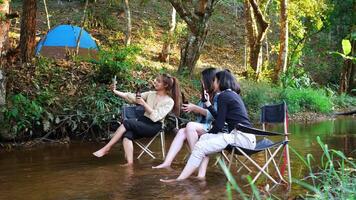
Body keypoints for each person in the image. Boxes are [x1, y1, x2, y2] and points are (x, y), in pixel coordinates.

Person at [160, 70, 256, 182]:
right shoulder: (232, 94)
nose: (213, 83)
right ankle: (198, 176)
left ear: (220, 81)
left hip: (241, 138)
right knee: (203, 140)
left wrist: (208, 133)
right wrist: (208, 104)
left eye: (214, 80)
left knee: (200, 145)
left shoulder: (223, 96)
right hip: (243, 137)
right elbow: (220, 117)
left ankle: (179, 180)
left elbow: (219, 125)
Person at [93, 74, 181, 165]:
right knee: (127, 135)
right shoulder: (150, 94)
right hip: (143, 122)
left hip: (154, 126)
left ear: (165, 85)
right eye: (156, 80)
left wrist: (144, 104)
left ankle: (107, 148)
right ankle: (129, 164)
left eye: (158, 81)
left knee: (127, 123)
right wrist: (115, 91)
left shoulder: (169, 101)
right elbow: (131, 97)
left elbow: (156, 117)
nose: (155, 81)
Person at [153, 68, 219, 179]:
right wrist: (192, 108)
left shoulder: (218, 96)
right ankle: (167, 162)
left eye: (202, 80)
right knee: (181, 132)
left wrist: (196, 108)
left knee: (190, 125)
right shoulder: (206, 95)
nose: (201, 82)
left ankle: (196, 157)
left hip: (214, 128)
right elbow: (201, 114)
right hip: (203, 127)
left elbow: (215, 115)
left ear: (209, 80)